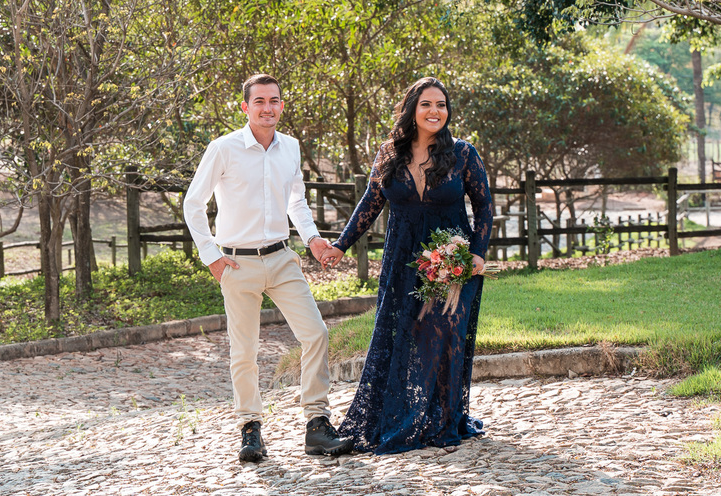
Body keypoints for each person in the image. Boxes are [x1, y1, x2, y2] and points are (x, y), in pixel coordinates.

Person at [183, 73, 354, 462]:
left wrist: (311, 239)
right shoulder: (223, 148)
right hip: (236, 263)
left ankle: (316, 425)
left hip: (281, 258)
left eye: (274, 100)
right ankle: (250, 430)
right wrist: (211, 255)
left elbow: (296, 202)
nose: (267, 108)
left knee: (316, 334)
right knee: (244, 351)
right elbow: (193, 204)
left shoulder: (290, 148)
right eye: (259, 101)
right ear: (245, 107)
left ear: (281, 105)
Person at [318, 76, 492, 454]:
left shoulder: (463, 154)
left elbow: (484, 207)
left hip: (453, 261)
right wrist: (341, 245)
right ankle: (405, 415)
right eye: (427, 104)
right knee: (403, 336)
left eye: (442, 105)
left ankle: (443, 421)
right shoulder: (389, 153)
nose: (435, 112)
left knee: (443, 336)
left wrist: (477, 253)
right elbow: (369, 204)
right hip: (402, 261)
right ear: (412, 109)